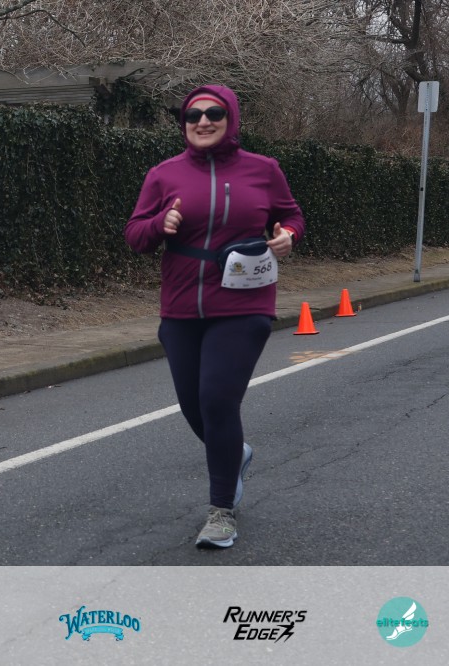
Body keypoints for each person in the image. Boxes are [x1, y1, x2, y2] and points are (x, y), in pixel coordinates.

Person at [124, 84, 305, 549]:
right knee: (193, 406)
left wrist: (287, 234)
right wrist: (159, 224)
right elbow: (135, 235)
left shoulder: (263, 169)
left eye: (214, 113)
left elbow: (292, 216)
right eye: (193, 115)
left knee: (217, 400)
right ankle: (235, 453)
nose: (203, 121)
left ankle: (221, 512)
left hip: (245, 303)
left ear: (231, 119)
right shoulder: (163, 174)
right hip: (181, 306)